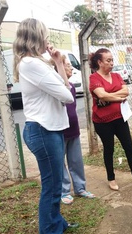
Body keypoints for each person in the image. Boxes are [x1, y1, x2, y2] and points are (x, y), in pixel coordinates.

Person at [13, 18, 77, 234]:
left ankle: (57, 224)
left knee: (54, 183)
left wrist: (59, 61)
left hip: (49, 129)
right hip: (43, 130)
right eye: (45, 35)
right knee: (51, 187)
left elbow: (65, 85)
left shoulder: (37, 63)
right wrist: (57, 69)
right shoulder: (32, 64)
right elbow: (68, 95)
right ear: (35, 38)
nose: (48, 40)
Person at [88, 48, 132, 191]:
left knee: (129, 147)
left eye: (112, 60)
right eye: (108, 60)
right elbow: (101, 95)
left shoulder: (116, 75)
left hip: (119, 118)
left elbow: (126, 91)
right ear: (99, 62)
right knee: (109, 149)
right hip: (102, 121)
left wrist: (109, 95)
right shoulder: (94, 78)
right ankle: (111, 179)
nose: (111, 63)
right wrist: (117, 97)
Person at [50, 56, 96, 205]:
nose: (70, 68)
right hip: (60, 130)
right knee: (60, 163)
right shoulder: (54, 87)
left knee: (76, 160)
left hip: (73, 128)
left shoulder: (71, 86)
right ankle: (64, 191)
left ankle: (80, 188)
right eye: (67, 65)